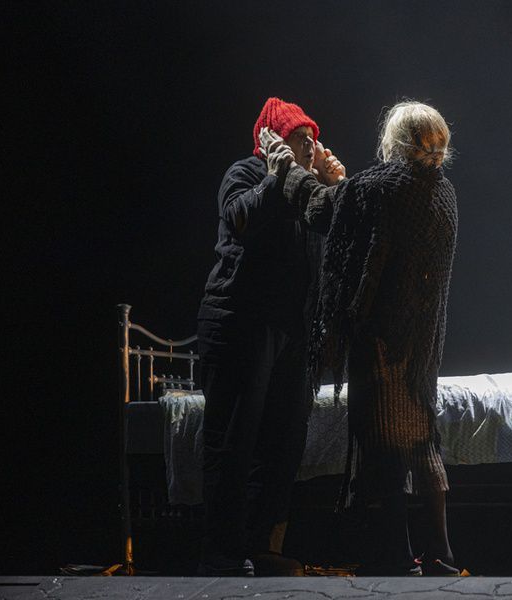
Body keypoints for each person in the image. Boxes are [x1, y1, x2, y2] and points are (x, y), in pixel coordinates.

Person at [266, 100, 458, 576]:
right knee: (422, 443)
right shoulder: (441, 191)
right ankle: (440, 553)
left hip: (382, 340)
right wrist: (344, 184)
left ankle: (396, 557)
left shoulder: (381, 187)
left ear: (396, 142)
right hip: (422, 344)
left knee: (383, 442)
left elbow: (321, 210)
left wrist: (288, 168)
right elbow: (373, 219)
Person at [195, 97, 345, 576]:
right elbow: (240, 219)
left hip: (291, 333)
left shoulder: (306, 192)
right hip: (240, 323)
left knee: (283, 444)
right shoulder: (245, 172)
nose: (311, 147)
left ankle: (261, 547)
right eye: (300, 138)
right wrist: (275, 176)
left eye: (313, 139)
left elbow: (337, 248)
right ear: (274, 143)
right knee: (233, 441)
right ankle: (221, 553)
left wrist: (336, 189)